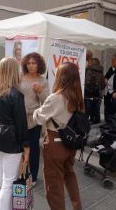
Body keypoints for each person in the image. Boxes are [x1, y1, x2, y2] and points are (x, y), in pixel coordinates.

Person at [33, 62, 83, 210]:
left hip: (55, 144)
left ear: (61, 77)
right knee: (70, 175)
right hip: (70, 144)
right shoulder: (78, 97)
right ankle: (77, 206)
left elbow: (39, 118)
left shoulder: (55, 98)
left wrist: (37, 110)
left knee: (54, 186)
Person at [0, 57, 30, 210]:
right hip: (12, 139)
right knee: (8, 181)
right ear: (13, 72)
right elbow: (21, 123)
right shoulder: (16, 95)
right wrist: (26, 146)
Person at [19, 52, 49, 185]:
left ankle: (34, 175)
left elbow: (47, 101)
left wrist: (40, 91)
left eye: (34, 63)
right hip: (19, 117)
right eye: (29, 63)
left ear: (39, 64)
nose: (31, 66)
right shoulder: (19, 77)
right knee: (19, 146)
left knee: (34, 147)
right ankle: (21, 172)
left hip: (34, 118)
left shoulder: (43, 80)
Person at [85, 58, 105, 124]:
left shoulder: (89, 71)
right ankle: (96, 120)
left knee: (88, 109)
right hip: (98, 94)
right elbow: (103, 84)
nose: (88, 63)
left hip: (89, 94)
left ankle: (86, 122)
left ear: (92, 63)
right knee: (96, 109)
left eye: (89, 62)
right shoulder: (101, 72)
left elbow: (87, 82)